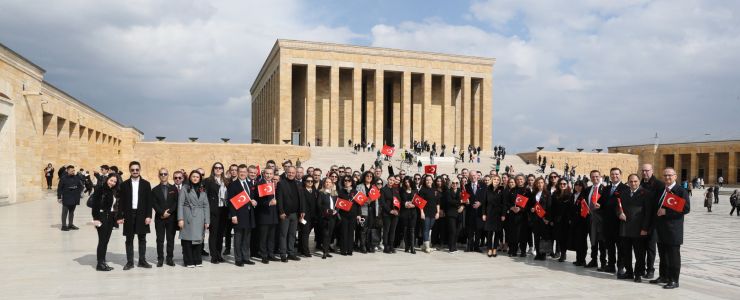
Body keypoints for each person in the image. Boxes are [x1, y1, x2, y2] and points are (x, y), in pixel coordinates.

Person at [649, 168, 690, 289]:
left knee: (673, 256)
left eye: (670, 175)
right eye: (665, 175)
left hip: (673, 230)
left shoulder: (680, 191)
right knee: (663, 255)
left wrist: (666, 212)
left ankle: (674, 280)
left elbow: (685, 209)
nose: (667, 177)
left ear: (675, 176)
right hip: (660, 229)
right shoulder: (661, 190)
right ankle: (663, 276)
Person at [617, 174, 654, 282]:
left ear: (639, 181)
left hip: (639, 229)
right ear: (628, 182)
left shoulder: (645, 194)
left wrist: (645, 228)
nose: (633, 183)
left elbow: (648, 213)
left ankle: (638, 273)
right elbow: (618, 207)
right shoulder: (623, 193)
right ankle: (629, 272)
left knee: (639, 253)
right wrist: (619, 214)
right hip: (625, 228)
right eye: (631, 181)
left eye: (635, 181)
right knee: (626, 252)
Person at [117, 161, 153, 270]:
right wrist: (120, 216)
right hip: (129, 214)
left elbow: (149, 201)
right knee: (129, 239)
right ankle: (130, 262)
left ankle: (142, 260)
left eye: (137, 169)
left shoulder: (146, 184)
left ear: (140, 170)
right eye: (133, 170)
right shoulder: (124, 184)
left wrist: (148, 216)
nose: (135, 171)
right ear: (130, 170)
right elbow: (121, 201)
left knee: (142, 238)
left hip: (142, 214)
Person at [178, 170, 210, 268]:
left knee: (199, 239)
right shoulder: (185, 188)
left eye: (197, 177)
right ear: (190, 178)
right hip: (188, 215)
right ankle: (188, 261)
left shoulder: (202, 189)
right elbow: (180, 204)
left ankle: (197, 259)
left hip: (200, 216)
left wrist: (207, 221)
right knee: (187, 239)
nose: (195, 178)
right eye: (193, 176)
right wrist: (180, 219)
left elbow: (206, 205)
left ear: (200, 178)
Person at [227, 164, 258, 266]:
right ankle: (238, 259)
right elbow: (231, 201)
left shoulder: (249, 184)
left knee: (246, 238)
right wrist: (233, 215)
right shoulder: (233, 185)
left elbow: (251, 198)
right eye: (241, 172)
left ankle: (246, 257)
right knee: (238, 238)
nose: (243, 173)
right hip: (239, 215)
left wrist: (254, 201)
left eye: (245, 172)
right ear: (238, 172)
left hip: (249, 215)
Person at [640, 163, 664, 279]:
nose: (645, 173)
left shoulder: (659, 185)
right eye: (643, 171)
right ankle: (641, 268)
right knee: (641, 246)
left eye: (647, 170)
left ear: (652, 170)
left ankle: (650, 269)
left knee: (650, 247)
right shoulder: (640, 183)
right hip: (641, 220)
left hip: (653, 221)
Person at [90, 174, 119, 271]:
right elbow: (95, 205)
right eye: (111, 180)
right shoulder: (100, 189)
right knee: (102, 241)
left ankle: (103, 261)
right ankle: (100, 264)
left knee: (106, 241)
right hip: (102, 217)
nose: (112, 183)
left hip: (110, 218)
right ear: (107, 179)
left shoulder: (114, 191)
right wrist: (96, 219)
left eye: (114, 182)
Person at [151, 168, 178, 267]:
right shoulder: (154, 190)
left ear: (168, 175)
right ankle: (160, 259)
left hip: (171, 218)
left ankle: (170, 258)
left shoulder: (174, 189)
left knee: (170, 239)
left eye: (165, 174)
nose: (163, 175)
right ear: (158, 176)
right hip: (160, 218)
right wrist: (162, 212)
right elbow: (154, 203)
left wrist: (169, 212)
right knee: (160, 239)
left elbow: (176, 202)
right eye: (161, 174)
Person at [276, 166, 304, 262]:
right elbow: (279, 199)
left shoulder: (298, 184)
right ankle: (283, 254)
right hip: (285, 214)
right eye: (289, 172)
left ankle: (291, 253)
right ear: (286, 172)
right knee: (283, 234)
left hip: (295, 214)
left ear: (295, 173)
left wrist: (302, 211)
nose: (291, 174)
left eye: (293, 172)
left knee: (292, 234)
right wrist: (281, 212)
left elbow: (301, 199)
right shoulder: (281, 183)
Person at [204, 162, 228, 264]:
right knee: (213, 234)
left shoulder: (226, 181)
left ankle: (219, 254)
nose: (218, 169)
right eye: (216, 168)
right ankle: (214, 255)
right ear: (213, 169)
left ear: (222, 170)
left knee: (220, 234)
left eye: (220, 168)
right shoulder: (208, 181)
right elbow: (204, 197)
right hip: (213, 210)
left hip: (224, 210)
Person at [255, 167, 280, 264]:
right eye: (267, 173)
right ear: (264, 174)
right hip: (264, 215)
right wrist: (269, 203)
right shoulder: (260, 184)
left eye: (270, 174)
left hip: (273, 215)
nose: (269, 175)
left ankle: (271, 254)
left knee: (271, 237)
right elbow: (258, 200)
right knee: (263, 237)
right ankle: (264, 255)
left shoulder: (274, 184)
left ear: (273, 174)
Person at [528, 177, 552, 260]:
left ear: (544, 183)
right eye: (538, 182)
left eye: (541, 182)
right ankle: (538, 253)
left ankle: (543, 254)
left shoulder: (547, 193)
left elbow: (549, 207)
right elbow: (531, 204)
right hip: (535, 218)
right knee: (536, 236)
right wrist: (531, 209)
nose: (540, 184)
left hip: (544, 218)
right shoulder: (534, 193)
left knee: (544, 236)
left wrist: (547, 218)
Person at [568, 181, 589, 266]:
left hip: (582, 222)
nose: (578, 187)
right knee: (577, 241)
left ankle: (582, 259)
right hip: (574, 222)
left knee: (582, 242)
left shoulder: (584, 196)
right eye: (576, 185)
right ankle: (578, 259)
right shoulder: (573, 195)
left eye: (580, 185)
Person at [337, 175, 359, 256]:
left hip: (353, 215)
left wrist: (358, 215)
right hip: (344, 215)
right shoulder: (341, 191)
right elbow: (338, 204)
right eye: (345, 181)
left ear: (351, 182)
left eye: (349, 181)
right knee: (344, 232)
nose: (347, 182)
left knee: (351, 233)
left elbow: (358, 205)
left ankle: (350, 249)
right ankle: (343, 249)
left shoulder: (355, 192)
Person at [483, 174, 504, 257]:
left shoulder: (501, 189)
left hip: (498, 214)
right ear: (492, 180)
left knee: (497, 232)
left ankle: (495, 248)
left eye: (498, 180)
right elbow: (484, 203)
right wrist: (484, 213)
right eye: (494, 179)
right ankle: (489, 249)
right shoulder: (487, 189)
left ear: (499, 181)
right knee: (489, 232)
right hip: (489, 213)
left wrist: (503, 214)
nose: (496, 181)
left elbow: (504, 203)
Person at [551, 178, 572, 262]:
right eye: (561, 184)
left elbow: (571, 208)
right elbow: (552, 207)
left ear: (567, 185)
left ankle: (563, 253)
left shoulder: (570, 195)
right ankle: (561, 252)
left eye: (564, 184)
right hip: (557, 219)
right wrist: (552, 219)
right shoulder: (555, 194)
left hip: (566, 220)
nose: (562, 185)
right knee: (559, 237)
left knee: (565, 237)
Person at [298, 175, 319, 258]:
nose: (310, 183)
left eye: (311, 181)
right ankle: (305, 251)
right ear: (304, 182)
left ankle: (301, 248)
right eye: (308, 181)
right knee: (305, 233)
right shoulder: (301, 190)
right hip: (304, 215)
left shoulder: (315, 191)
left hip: (313, 216)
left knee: (306, 233)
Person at [58, 165, 83, 231]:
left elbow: (80, 186)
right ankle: (63, 226)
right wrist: (59, 197)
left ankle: (70, 224)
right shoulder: (63, 178)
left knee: (72, 212)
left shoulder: (76, 177)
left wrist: (78, 191)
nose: (73, 172)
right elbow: (59, 188)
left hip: (74, 197)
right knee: (65, 212)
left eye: (74, 170)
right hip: (66, 197)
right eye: (71, 171)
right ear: (68, 170)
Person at [419, 175, 440, 253]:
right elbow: (420, 202)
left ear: (432, 181)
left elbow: (438, 203)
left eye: (430, 180)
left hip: (433, 213)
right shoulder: (422, 190)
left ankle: (424, 245)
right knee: (426, 229)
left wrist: (438, 212)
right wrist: (422, 212)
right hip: (425, 212)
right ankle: (427, 246)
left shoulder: (435, 190)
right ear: (425, 181)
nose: (428, 181)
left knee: (429, 228)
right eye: (427, 180)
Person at [318, 177, 338, 259]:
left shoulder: (334, 194)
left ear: (332, 184)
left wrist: (336, 211)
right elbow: (319, 205)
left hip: (333, 217)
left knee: (330, 234)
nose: (328, 183)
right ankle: (324, 252)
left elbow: (337, 204)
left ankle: (327, 250)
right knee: (325, 234)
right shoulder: (321, 193)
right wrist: (326, 211)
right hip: (325, 217)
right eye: (326, 182)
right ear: (324, 183)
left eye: (329, 182)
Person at [379, 176, 399, 253]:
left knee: (393, 230)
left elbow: (398, 200)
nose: (391, 181)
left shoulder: (395, 190)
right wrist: (390, 210)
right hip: (387, 213)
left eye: (393, 180)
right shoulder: (383, 189)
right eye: (390, 180)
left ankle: (391, 246)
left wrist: (397, 210)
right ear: (387, 180)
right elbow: (382, 202)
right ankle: (386, 246)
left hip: (395, 213)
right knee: (386, 230)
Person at [399, 176, 418, 254]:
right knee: (405, 230)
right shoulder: (402, 190)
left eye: (408, 182)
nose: (407, 184)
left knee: (412, 230)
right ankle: (407, 246)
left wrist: (414, 205)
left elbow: (418, 201)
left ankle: (412, 247)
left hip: (413, 212)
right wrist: (405, 204)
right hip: (405, 212)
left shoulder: (415, 190)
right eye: (406, 182)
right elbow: (400, 200)